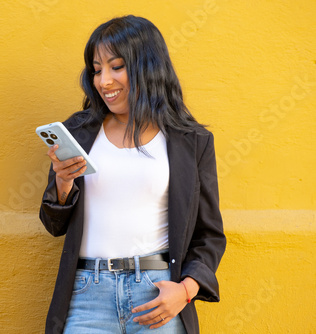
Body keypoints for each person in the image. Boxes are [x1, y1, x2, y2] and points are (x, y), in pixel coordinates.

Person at [39, 15, 226, 334]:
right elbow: (54, 225)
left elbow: (209, 235)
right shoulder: (80, 132)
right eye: (97, 70)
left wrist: (185, 291)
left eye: (117, 66)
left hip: (157, 294)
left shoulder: (190, 141)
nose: (104, 81)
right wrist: (63, 182)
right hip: (87, 297)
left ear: (148, 66)